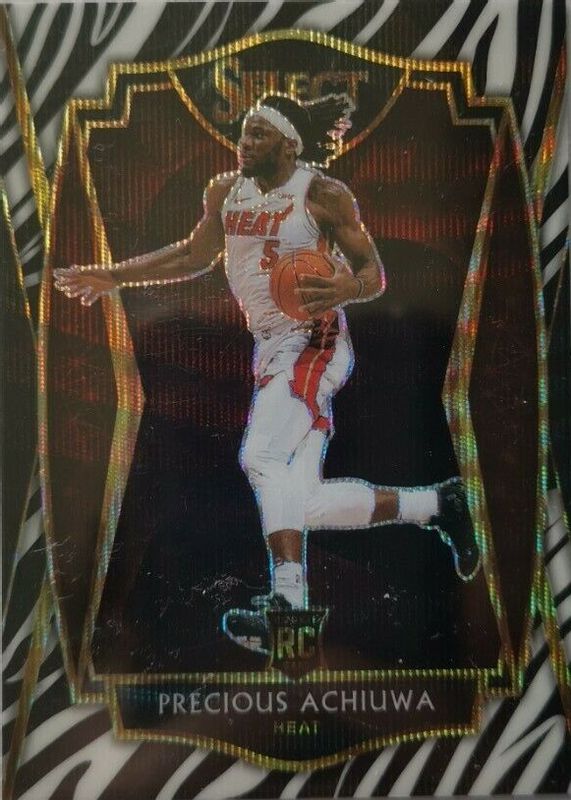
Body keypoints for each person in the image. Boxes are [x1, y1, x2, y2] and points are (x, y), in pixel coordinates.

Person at [55, 94, 480, 656]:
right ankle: (438, 505)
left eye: (258, 134)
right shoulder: (224, 192)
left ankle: (289, 610)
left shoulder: (322, 194)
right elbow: (191, 256)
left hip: (314, 340)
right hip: (271, 347)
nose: (244, 143)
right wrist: (114, 276)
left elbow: (373, 272)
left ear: (288, 144)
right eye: (244, 133)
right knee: (301, 503)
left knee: (261, 457)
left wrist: (349, 286)